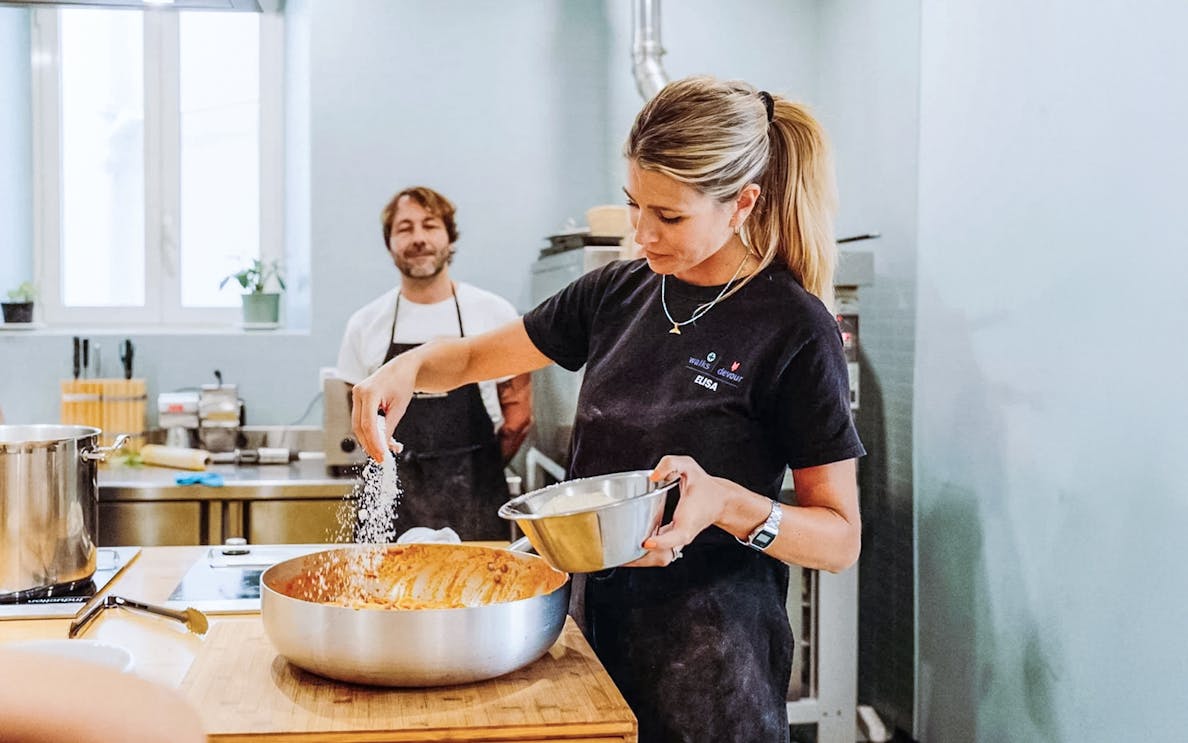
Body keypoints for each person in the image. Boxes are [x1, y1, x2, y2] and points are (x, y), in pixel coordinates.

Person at [351, 77, 864, 743]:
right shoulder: (616, 293)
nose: (643, 234)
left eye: (670, 217)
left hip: (716, 658)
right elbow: (476, 358)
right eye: (633, 205)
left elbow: (839, 539)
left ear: (743, 204)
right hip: (591, 633)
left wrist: (730, 504)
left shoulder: (795, 328)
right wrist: (409, 366)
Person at [336, 186, 532, 541]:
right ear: (390, 243)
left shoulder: (494, 313)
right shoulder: (365, 324)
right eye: (405, 228)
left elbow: (518, 420)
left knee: (479, 595)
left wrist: (477, 466)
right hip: (391, 500)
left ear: (449, 237)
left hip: (475, 499)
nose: (418, 238)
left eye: (429, 225)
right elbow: (362, 420)